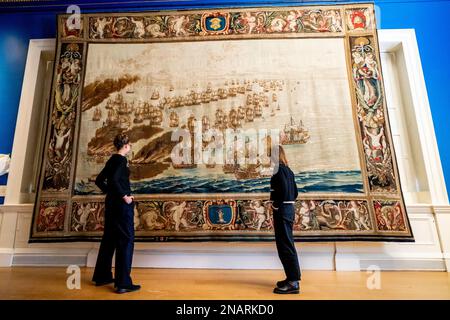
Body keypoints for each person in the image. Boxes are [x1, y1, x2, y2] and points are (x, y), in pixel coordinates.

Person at [92, 133, 140, 294]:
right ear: (126, 146)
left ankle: (102, 276)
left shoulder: (112, 160)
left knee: (109, 239)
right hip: (121, 206)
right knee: (126, 241)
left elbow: (99, 180)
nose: (130, 147)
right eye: (130, 145)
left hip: (111, 205)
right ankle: (123, 283)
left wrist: (111, 193)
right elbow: (113, 179)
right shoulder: (121, 160)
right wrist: (124, 196)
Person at [270, 145, 301, 294]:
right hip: (289, 209)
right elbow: (295, 193)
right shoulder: (289, 171)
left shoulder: (277, 170)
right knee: (287, 244)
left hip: (282, 210)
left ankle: (293, 282)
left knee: (285, 246)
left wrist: (276, 205)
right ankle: (291, 278)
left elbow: (280, 192)